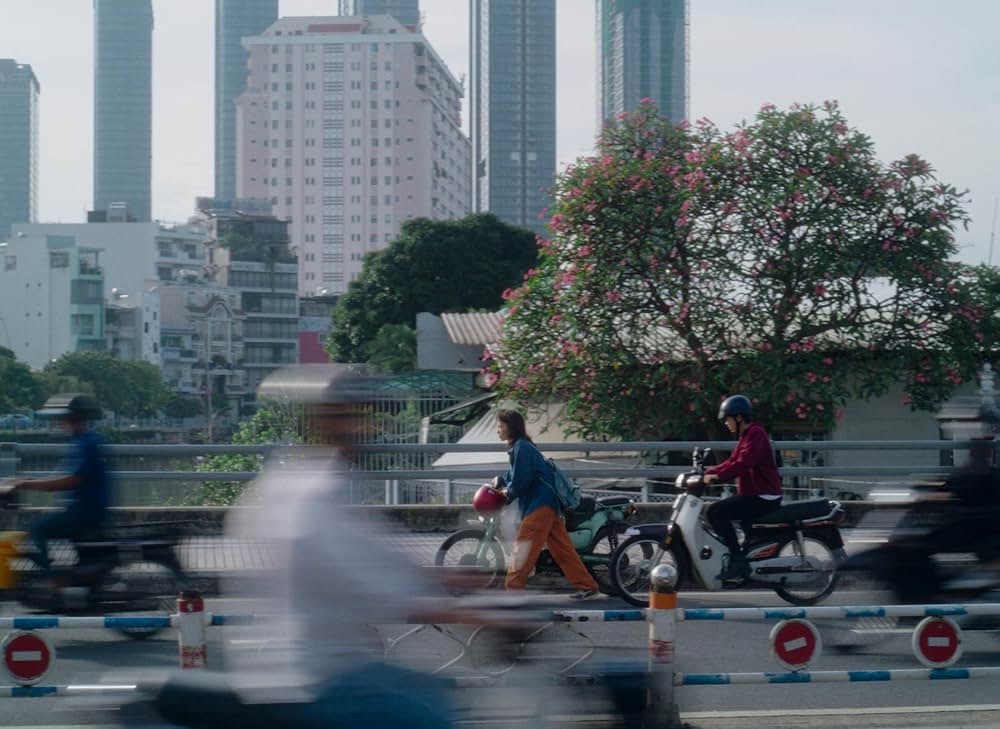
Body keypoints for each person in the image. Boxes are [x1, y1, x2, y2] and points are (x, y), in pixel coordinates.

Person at [189, 365, 463, 729]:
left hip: (327, 667)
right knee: (430, 718)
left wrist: (453, 581)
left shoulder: (310, 484)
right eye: (347, 415)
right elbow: (367, 584)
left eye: (363, 415)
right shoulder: (309, 497)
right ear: (316, 420)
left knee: (436, 688)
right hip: (317, 677)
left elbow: (378, 557)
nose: (363, 428)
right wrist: (469, 613)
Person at [493, 409, 599, 599]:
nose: (497, 430)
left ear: (511, 427)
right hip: (548, 504)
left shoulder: (522, 448)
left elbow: (521, 480)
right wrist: (502, 479)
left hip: (540, 506)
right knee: (563, 550)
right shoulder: (523, 446)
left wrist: (507, 493)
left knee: (523, 547)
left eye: (500, 426)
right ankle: (587, 586)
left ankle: (512, 591)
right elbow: (518, 473)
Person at [10, 393, 111, 574]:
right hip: (85, 510)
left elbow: (72, 480)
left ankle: (53, 580)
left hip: (85, 512)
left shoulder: (86, 444)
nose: (59, 423)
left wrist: (29, 485)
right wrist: (29, 481)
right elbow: (67, 476)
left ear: (70, 418)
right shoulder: (84, 440)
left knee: (35, 530)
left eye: (61, 418)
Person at [702, 394, 783, 582]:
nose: (726, 424)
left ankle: (738, 561)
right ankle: (739, 557)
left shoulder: (756, 434)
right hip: (756, 495)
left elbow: (744, 463)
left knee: (716, 512)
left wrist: (716, 476)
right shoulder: (747, 435)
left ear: (739, 418)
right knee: (719, 512)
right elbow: (733, 462)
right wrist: (707, 472)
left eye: (728, 420)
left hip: (764, 496)